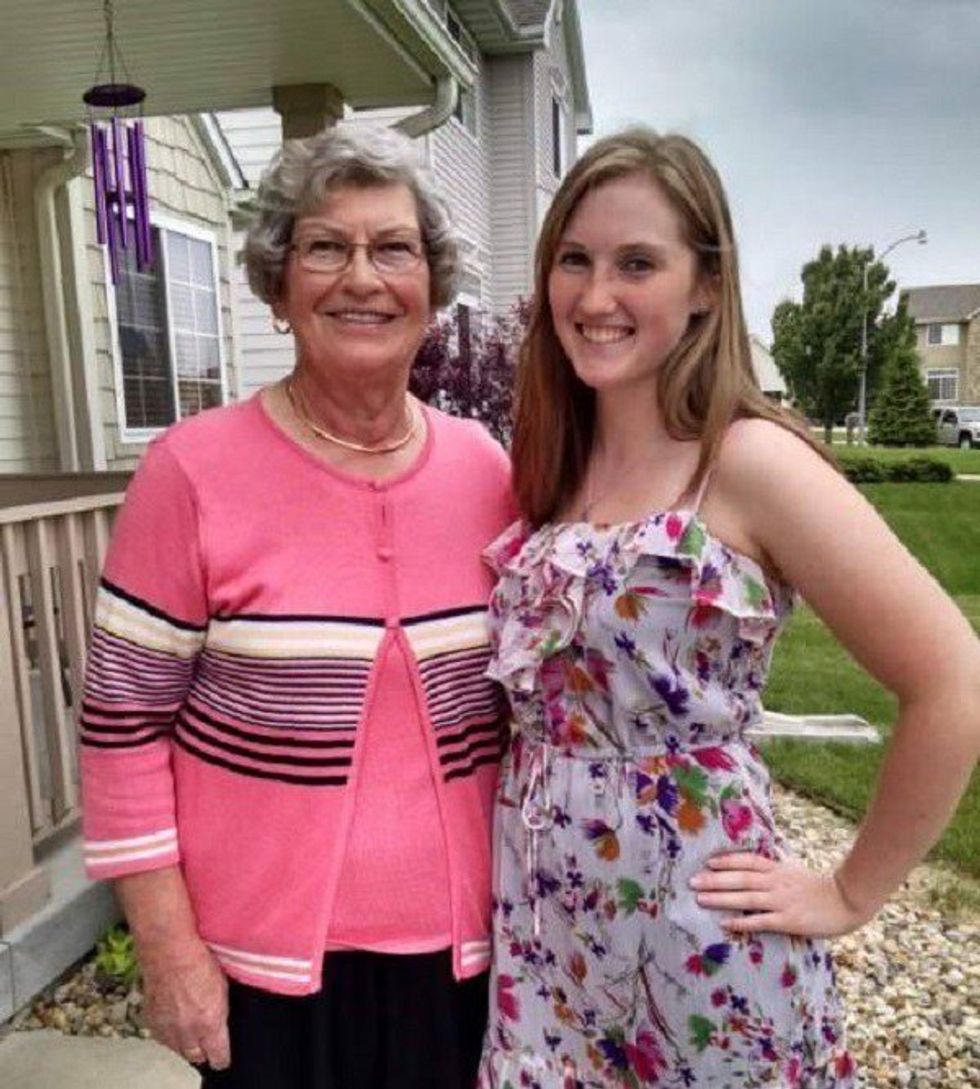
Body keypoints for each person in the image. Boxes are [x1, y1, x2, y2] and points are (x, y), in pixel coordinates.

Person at [476, 128, 980, 1087]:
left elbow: (952, 678)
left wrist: (849, 892)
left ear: (706, 284)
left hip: (700, 944)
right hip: (548, 945)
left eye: (637, 263)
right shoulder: (557, 463)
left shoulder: (747, 461)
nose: (596, 296)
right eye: (574, 260)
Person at [80, 124, 514, 1089]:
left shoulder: (486, 470)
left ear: (431, 284)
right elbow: (121, 728)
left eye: (392, 248)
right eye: (325, 247)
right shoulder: (191, 473)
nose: (362, 277)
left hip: (464, 962)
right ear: (278, 287)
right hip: (261, 975)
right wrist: (168, 949)